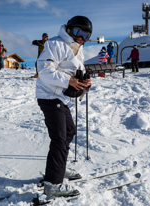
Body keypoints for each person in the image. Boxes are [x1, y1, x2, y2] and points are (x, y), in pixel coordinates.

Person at [35, 15, 92, 202]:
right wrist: (68, 80)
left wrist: (85, 82)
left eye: (85, 34)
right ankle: (52, 184)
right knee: (59, 137)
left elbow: (77, 73)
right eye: (78, 31)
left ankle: (59, 166)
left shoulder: (78, 49)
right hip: (50, 97)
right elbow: (44, 70)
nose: (81, 37)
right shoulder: (55, 44)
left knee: (69, 131)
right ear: (69, 29)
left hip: (61, 98)